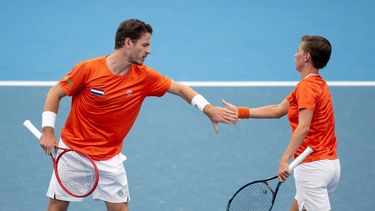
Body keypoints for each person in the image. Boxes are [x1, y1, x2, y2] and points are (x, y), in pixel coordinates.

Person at [39, 19, 238, 211]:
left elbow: (180, 89)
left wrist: (208, 109)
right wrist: (47, 131)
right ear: (127, 42)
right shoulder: (88, 69)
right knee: (57, 207)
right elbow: (55, 93)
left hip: (109, 157)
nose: (149, 51)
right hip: (73, 153)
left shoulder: (144, 77)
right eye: (144, 45)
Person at [223, 35, 340, 211]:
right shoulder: (317, 84)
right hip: (330, 166)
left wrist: (284, 159)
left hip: (312, 169)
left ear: (306, 56)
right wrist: (241, 112)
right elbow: (278, 109)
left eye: (298, 51)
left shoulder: (306, 88)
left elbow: (303, 127)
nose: (295, 55)